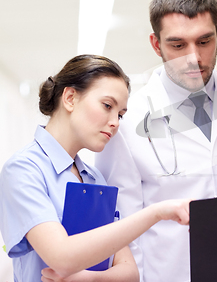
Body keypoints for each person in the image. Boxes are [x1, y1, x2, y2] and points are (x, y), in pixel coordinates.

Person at [95, 0, 217, 281]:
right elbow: (124, 229)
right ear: (156, 44)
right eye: (178, 45)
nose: (193, 58)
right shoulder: (125, 122)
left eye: (204, 41)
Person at [0, 55, 190, 282]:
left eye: (120, 114)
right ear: (70, 98)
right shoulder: (23, 170)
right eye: (107, 106)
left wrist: (89, 279)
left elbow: (130, 273)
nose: (116, 123)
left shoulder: (94, 178)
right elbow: (61, 256)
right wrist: (156, 212)